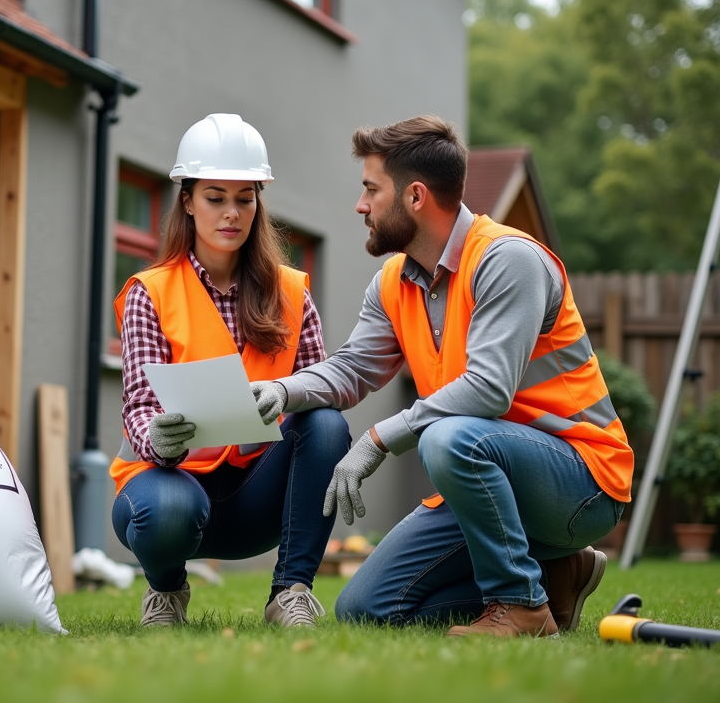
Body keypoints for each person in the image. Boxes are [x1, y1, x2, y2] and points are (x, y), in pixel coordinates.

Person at [250, 115, 633, 638]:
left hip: (580, 481)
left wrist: (380, 438)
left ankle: (519, 604)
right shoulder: (393, 281)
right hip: (488, 479)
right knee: (365, 611)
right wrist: (281, 390)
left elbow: (488, 390)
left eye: (370, 189)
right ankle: (554, 576)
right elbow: (354, 368)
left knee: (448, 437)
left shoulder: (507, 260)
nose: (361, 206)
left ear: (414, 196)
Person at [111, 113, 350, 628]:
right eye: (215, 197)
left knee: (328, 423)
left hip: (254, 495)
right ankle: (167, 591)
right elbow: (138, 408)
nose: (231, 213)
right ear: (187, 201)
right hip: (170, 486)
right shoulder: (149, 293)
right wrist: (160, 438)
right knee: (167, 510)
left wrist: (287, 395)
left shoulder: (291, 293)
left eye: (245, 197)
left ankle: (290, 593)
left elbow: (319, 389)